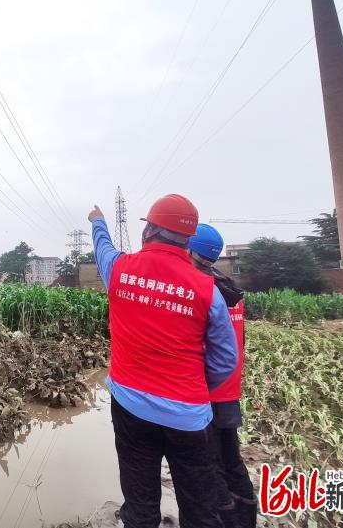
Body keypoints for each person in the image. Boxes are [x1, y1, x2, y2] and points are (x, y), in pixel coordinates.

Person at [88, 194, 238, 528]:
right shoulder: (206, 289)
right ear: (187, 240)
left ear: (149, 230)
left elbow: (102, 251)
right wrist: (196, 388)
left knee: (140, 505)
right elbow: (226, 359)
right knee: (200, 510)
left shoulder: (121, 270)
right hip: (189, 417)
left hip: (130, 408)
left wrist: (98, 222)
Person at [188, 224, 257, 528]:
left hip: (208, 391)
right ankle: (246, 519)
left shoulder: (201, 290)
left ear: (190, 252)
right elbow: (236, 345)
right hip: (230, 388)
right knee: (232, 458)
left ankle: (224, 519)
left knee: (209, 464)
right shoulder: (230, 289)